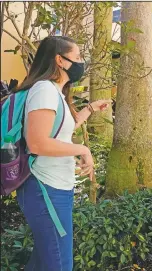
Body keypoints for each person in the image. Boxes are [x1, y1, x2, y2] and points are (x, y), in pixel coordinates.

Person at [15, 36, 111, 271]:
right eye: (77, 57)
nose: (81, 62)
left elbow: (58, 131)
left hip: (55, 187)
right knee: (59, 264)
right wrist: (82, 149)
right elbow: (37, 143)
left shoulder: (54, 91)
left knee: (43, 262)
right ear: (60, 60)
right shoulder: (44, 90)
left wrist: (89, 109)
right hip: (44, 189)